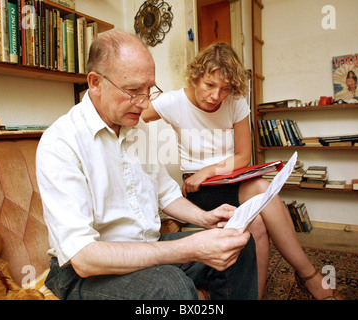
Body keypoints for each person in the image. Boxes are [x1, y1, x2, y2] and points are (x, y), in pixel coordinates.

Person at [35, 31, 258, 300]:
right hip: (86, 272)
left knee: (236, 244)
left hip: (145, 247)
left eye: (149, 90)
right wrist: (188, 248)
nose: (145, 103)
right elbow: (83, 258)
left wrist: (205, 219)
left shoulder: (136, 127)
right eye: (133, 91)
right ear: (95, 83)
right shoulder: (61, 143)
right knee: (169, 285)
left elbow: (165, 192)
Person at [142, 42, 344, 300]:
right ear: (196, 77)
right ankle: (310, 277)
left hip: (229, 178)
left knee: (258, 222)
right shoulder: (173, 102)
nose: (216, 96)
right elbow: (134, 115)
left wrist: (209, 169)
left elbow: (242, 156)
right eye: (209, 85)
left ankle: (255, 295)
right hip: (198, 188)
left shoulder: (235, 102)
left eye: (225, 89)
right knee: (261, 188)